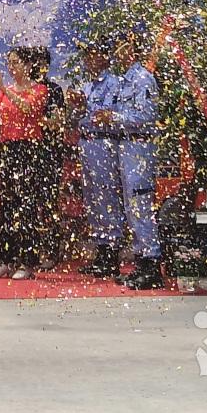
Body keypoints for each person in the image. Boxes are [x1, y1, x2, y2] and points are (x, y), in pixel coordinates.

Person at [0, 47, 48, 281]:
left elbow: (28, 108)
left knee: (26, 206)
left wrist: (2, 89)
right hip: (7, 148)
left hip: (28, 149)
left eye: (16, 62)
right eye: (9, 62)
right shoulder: (5, 90)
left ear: (28, 65)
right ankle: (5, 261)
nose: (11, 67)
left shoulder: (39, 89)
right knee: (7, 206)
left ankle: (27, 262)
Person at [111, 33, 165, 290]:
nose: (116, 53)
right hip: (126, 145)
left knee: (140, 204)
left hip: (140, 146)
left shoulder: (142, 78)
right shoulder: (125, 80)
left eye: (120, 47)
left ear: (131, 48)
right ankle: (141, 260)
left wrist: (113, 118)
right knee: (131, 206)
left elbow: (146, 116)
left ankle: (152, 264)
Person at [76, 39, 125, 280]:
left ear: (105, 57)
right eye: (87, 55)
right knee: (92, 198)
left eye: (94, 54)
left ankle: (111, 253)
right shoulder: (88, 86)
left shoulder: (113, 83)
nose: (89, 60)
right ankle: (101, 250)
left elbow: (107, 115)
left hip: (104, 141)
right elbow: (81, 116)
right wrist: (76, 107)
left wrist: (85, 107)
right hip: (87, 142)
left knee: (106, 196)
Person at [29, 47, 67, 271]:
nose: (38, 66)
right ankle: (30, 252)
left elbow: (58, 122)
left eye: (43, 62)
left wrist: (34, 118)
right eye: (34, 62)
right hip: (25, 153)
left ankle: (51, 251)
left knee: (48, 202)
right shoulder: (21, 89)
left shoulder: (54, 90)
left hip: (49, 153)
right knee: (27, 204)